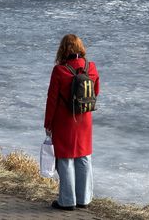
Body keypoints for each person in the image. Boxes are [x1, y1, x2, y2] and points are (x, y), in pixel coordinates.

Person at [44, 34, 100, 211]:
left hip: (64, 120)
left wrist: (48, 123)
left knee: (66, 159)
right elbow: (96, 91)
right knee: (84, 157)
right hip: (84, 119)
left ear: (63, 49)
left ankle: (67, 201)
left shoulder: (59, 70)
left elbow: (52, 99)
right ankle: (84, 199)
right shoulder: (91, 66)